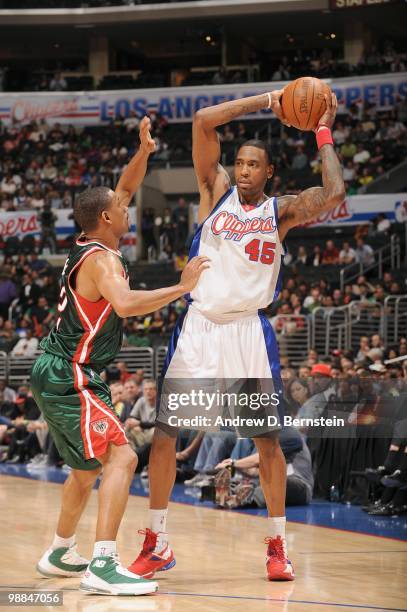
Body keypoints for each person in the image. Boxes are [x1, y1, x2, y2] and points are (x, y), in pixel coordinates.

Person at [129, 90, 344, 581]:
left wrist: (322, 132)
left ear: (268, 173)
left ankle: (277, 547)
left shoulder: (280, 212)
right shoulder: (214, 190)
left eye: (254, 164)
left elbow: (332, 194)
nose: (244, 170)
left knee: (267, 441)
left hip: (247, 332)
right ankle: (157, 540)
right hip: (200, 328)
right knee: (165, 435)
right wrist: (270, 99)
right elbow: (204, 119)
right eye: (240, 162)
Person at [30, 117, 209, 597]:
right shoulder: (104, 260)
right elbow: (128, 304)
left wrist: (144, 151)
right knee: (124, 457)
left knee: (87, 469)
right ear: (106, 219)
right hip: (73, 372)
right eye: (120, 208)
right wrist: (184, 287)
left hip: (59, 369)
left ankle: (60, 551)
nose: (127, 208)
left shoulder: (92, 239)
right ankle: (103, 564)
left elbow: (125, 187)